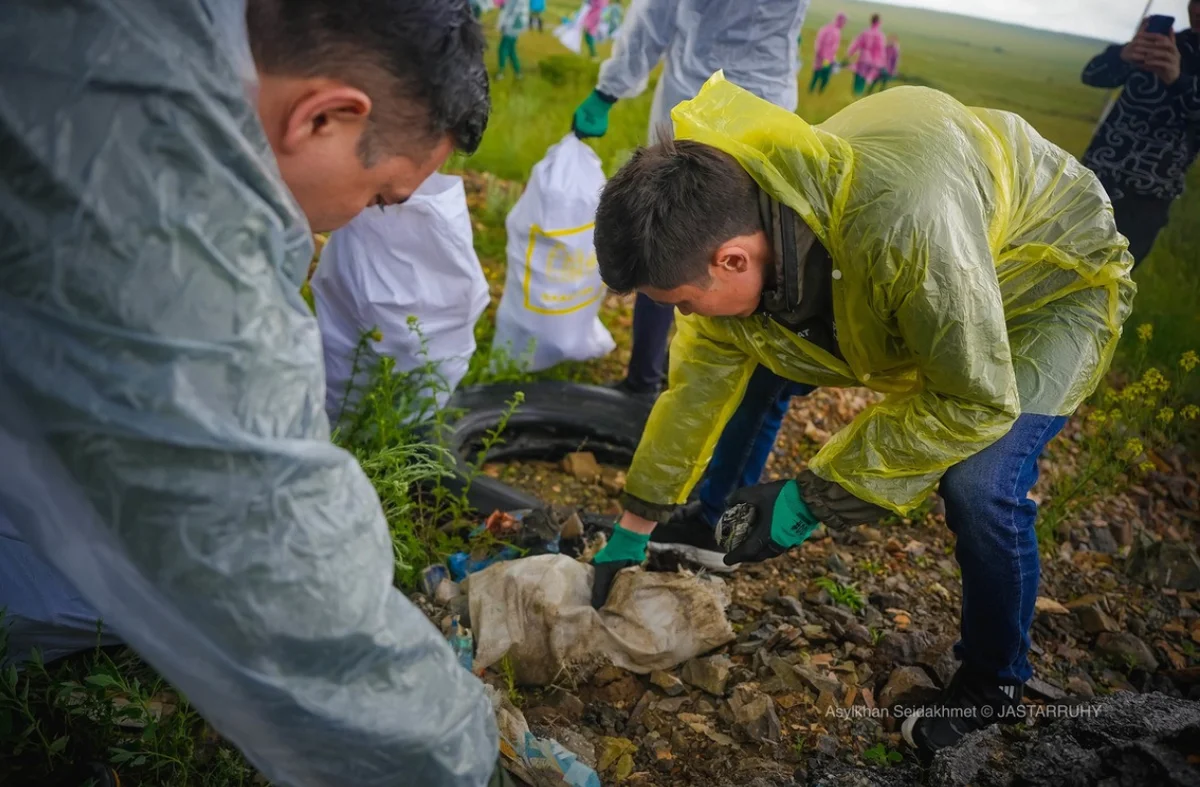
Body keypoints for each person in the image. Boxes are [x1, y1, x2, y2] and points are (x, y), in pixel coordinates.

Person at [0, 0, 502, 785]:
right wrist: (456, 757)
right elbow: (255, 521)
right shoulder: (150, 180)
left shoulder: (160, 36)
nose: (359, 218)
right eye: (378, 196)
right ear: (326, 116)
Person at [588, 76, 1134, 758]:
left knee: (979, 482)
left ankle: (995, 681)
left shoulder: (901, 225)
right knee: (748, 350)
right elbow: (695, 387)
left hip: (1046, 283)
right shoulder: (742, 225)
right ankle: (710, 522)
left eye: (684, 302)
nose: (684, 315)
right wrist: (632, 527)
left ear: (732, 257)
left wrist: (806, 498)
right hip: (926, 279)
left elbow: (971, 397)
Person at [571, 0, 812, 569]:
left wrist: (819, 498)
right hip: (735, 105)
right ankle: (649, 383)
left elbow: (653, 18)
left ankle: (716, 507)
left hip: (740, 111)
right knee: (678, 266)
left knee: (757, 319)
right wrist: (638, 520)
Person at [1082, 5, 1199, 268]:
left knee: (1108, 280)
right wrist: (1123, 56)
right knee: (1052, 262)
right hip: (1093, 177)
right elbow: (1091, 75)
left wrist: (1177, 79)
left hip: (1146, 197)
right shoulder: (1167, 43)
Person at [847, 13, 886, 96]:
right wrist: (881, 62)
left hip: (862, 57)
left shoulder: (865, 32)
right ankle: (859, 94)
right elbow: (881, 50)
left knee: (858, 76)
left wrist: (850, 53)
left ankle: (855, 93)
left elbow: (856, 43)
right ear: (879, 22)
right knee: (864, 78)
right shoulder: (880, 35)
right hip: (872, 60)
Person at [809, 12, 847, 94]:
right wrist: (827, 59)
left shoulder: (827, 28)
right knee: (825, 76)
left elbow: (819, 42)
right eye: (844, 22)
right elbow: (827, 46)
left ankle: (811, 91)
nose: (844, 25)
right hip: (826, 59)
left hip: (820, 56)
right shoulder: (834, 31)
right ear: (840, 21)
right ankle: (819, 93)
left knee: (816, 73)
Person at [496, 0, 529, 79]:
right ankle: (517, 71)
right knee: (511, 50)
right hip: (518, 25)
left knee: (502, 49)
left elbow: (508, 11)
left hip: (511, 25)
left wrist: (502, 25)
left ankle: (501, 72)